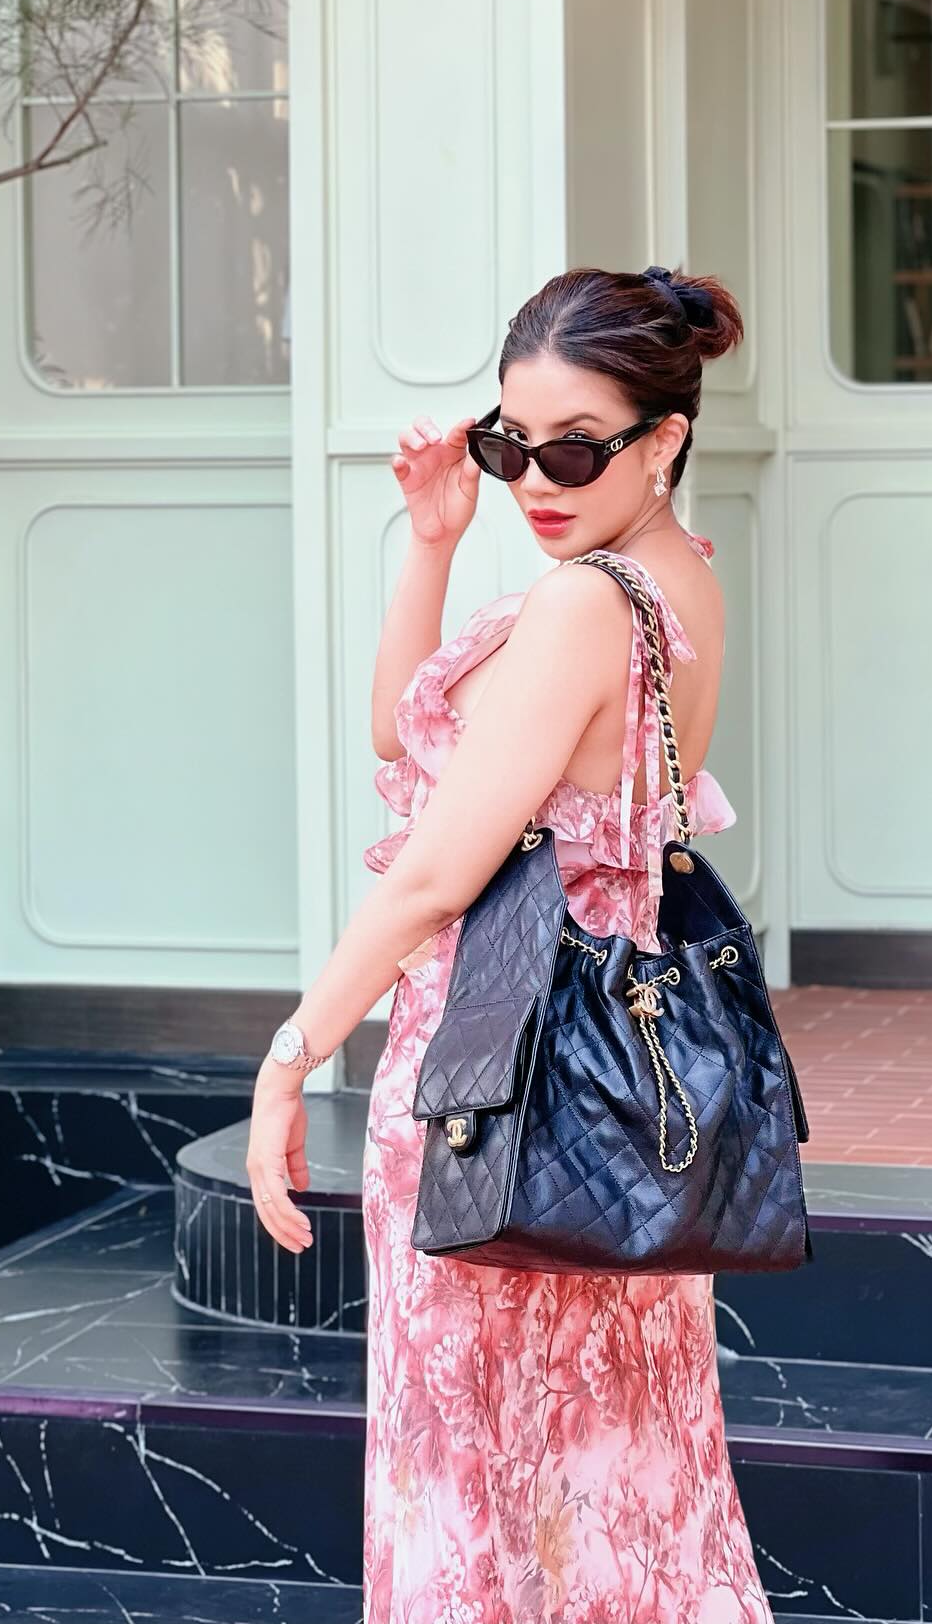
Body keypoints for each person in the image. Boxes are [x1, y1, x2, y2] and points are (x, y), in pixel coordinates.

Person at [247, 265, 773, 1623]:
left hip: (495, 1086)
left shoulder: (585, 606)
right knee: (618, 1484)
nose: (536, 480)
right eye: (510, 444)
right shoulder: (682, 583)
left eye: (575, 449)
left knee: (471, 1482)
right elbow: (403, 731)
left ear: (664, 439)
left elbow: (436, 874)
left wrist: (292, 1053)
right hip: (618, 1105)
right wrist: (433, 539)